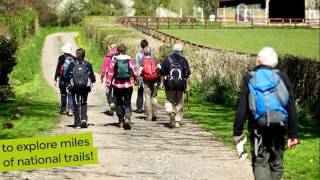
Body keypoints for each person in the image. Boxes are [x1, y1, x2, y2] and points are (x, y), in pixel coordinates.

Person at [233, 47, 298, 180]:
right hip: (279, 127)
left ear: (259, 60)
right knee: (277, 164)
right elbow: (291, 105)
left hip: (258, 128)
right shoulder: (281, 77)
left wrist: (237, 131)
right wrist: (293, 134)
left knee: (260, 163)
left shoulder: (250, 77)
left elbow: (242, 108)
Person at [106, 44, 139, 130]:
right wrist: (137, 81)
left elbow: (110, 74)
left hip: (117, 86)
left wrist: (108, 85)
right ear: (125, 51)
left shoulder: (114, 61)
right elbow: (135, 72)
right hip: (127, 85)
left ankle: (121, 120)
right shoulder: (129, 60)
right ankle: (127, 118)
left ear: (118, 51)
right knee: (127, 102)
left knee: (119, 102)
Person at [160, 43, 191, 128]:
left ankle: (171, 112)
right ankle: (177, 121)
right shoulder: (184, 60)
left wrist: (162, 83)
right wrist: (187, 85)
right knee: (179, 102)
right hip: (181, 85)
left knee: (169, 100)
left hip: (169, 85)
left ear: (173, 50)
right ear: (181, 50)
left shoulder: (167, 59)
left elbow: (162, 72)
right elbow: (187, 74)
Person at [66, 48, 96, 129]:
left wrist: (67, 84)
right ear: (84, 55)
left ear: (76, 55)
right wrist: (93, 84)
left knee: (76, 104)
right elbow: (92, 77)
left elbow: (66, 75)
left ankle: (77, 123)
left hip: (74, 87)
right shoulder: (88, 64)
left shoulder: (72, 64)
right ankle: (83, 119)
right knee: (84, 102)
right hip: (85, 87)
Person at [139, 47, 160, 121]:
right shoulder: (155, 60)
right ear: (150, 52)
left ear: (144, 53)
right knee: (154, 96)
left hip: (146, 81)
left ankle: (149, 116)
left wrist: (139, 80)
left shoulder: (143, 61)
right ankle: (155, 114)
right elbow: (159, 69)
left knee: (147, 98)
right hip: (154, 80)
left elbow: (139, 72)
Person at [54, 43, 74, 116]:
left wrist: (55, 78)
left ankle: (63, 109)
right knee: (71, 93)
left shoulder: (61, 58)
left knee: (63, 93)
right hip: (70, 79)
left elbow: (58, 68)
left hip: (62, 78)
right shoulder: (74, 58)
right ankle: (71, 109)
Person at [100, 44, 118, 116]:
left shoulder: (108, 56)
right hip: (117, 77)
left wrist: (101, 77)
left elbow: (104, 68)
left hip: (109, 76)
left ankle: (111, 103)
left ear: (111, 48)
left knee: (108, 90)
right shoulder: (119, 56)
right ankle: (114, 103)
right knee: (116, 91)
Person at [134, 39, 149, 114]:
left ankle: (139, 107)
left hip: (141, 75)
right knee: (149, 92)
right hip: (149, 75)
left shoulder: (138, 54)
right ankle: (148, 108)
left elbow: (136, 66)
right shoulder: (151, 54)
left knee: (140, 91)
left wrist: (136, 76)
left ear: (141, 45)